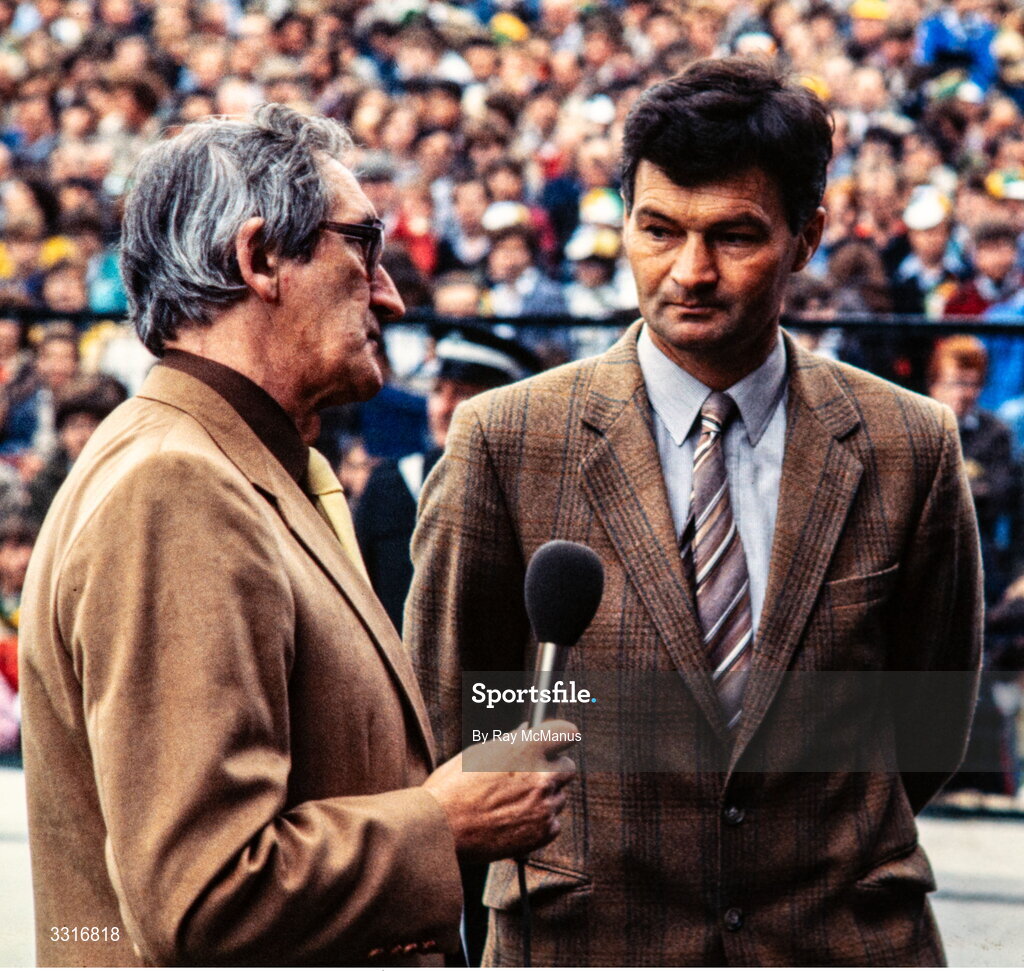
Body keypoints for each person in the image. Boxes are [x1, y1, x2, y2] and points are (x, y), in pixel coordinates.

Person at [407, 58, 983, 966]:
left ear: (807, 237)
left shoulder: (908, 443)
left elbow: (930, 722)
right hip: (589, 939)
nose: (691, 271)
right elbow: (459, 713)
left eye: (735, 236)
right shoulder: (503, 439)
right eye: (657, 229)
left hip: (841, 940)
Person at [18, 104, 576, 967]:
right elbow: (203, 896)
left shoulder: (241, 461)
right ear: (259, 258)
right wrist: (444, 821)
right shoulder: (179, 485)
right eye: (362, 244)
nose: (388, 290)